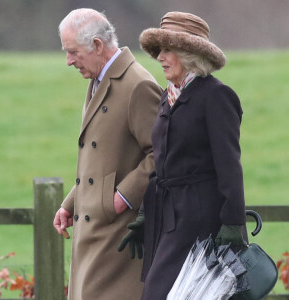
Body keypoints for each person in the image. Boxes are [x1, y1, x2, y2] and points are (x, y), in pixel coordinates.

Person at [118, 11, 248, 299]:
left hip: (201, 219)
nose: (160, 57)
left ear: (189, 54)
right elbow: (162, 160)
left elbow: (229, 164)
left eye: (168, 50)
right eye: (159, 50)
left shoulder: (216, 96)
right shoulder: (168, 96)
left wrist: (233, 222)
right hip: (166, 216)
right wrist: (144, 213)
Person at [53, 8, 162, 300]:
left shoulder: (137, 84)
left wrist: (121, 197)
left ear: (98, 46)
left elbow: (161, 152)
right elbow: (98, 159)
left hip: (116, 239)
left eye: (73, 52)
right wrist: (70, 204)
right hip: (91, 234)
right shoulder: (98, 80)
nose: (69, 61)